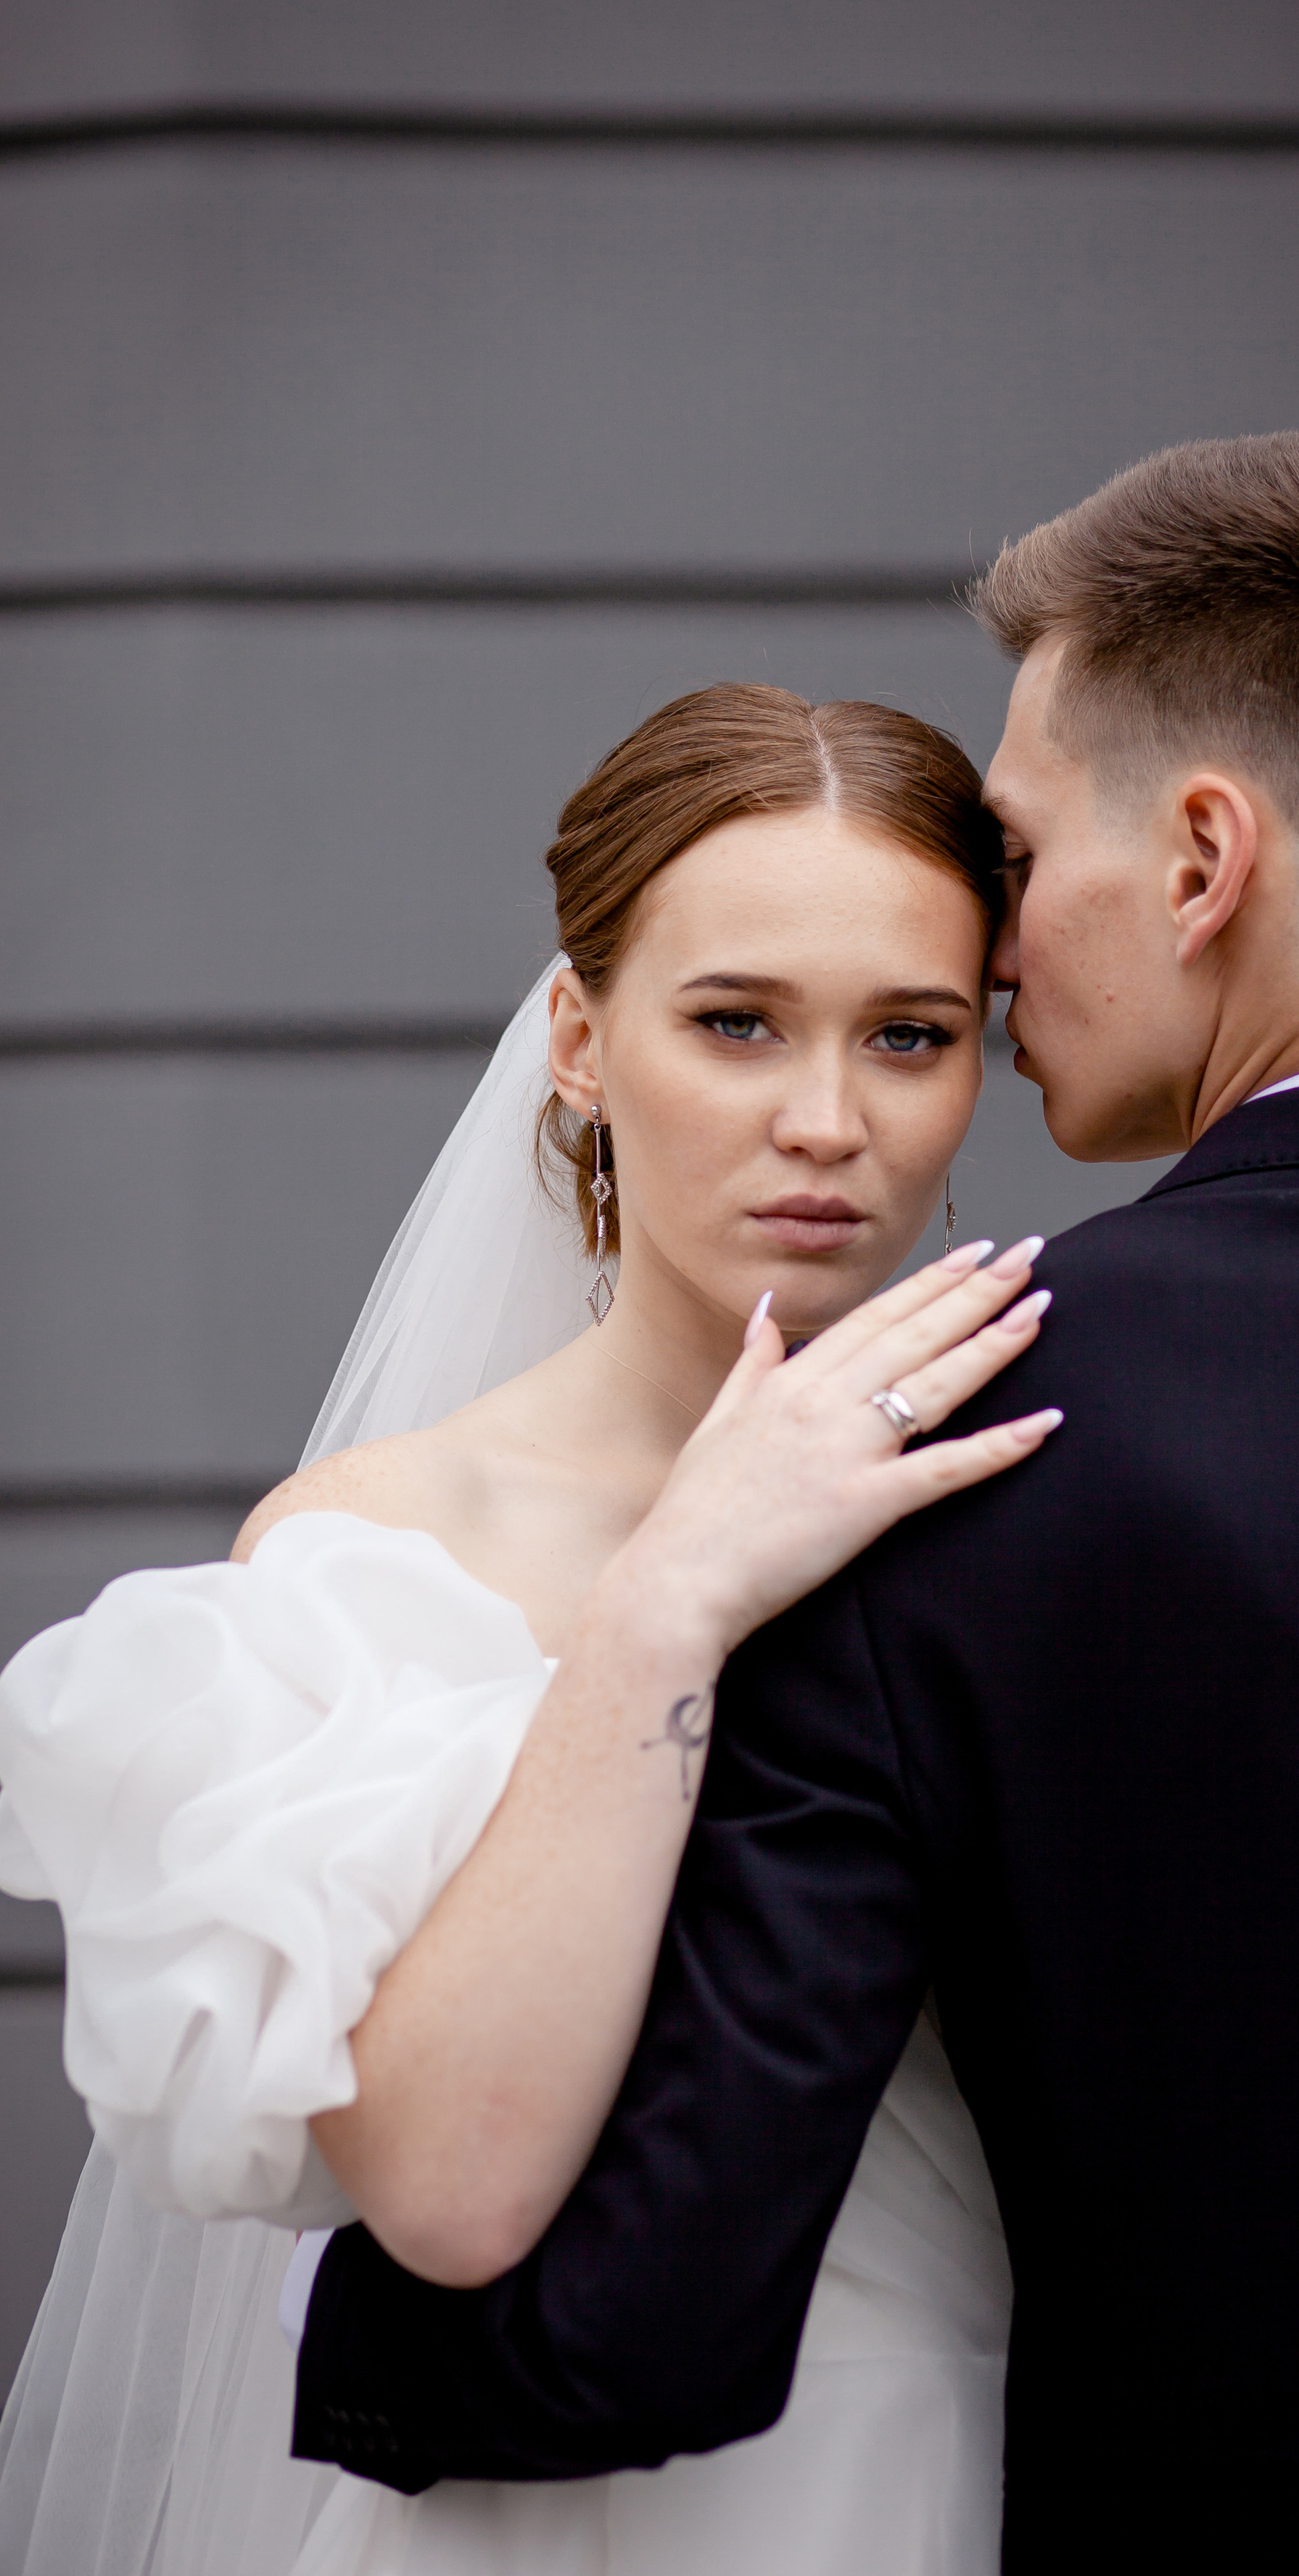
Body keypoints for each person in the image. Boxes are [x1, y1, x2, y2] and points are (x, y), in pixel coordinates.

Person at [291, 437, 1299, 2558]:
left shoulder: (933, 1430)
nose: (1003, 951)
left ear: (1204, 857)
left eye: (1017, 856)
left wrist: (342, 2344)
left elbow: (646, 2312)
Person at [0, 686, 1060, 2575]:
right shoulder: (377, 1549)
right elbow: (457, 2196)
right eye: (735, 1023)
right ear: (578, 1039)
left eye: (909, 1036)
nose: (826, 1121)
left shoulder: (1061, 1502)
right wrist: (671, 1598)